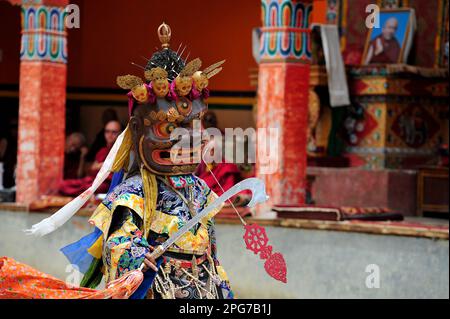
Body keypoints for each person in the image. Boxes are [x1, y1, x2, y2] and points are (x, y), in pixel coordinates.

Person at [59, 24, 234, 299]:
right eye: (168, 130)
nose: (184, 141)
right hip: (158, 286)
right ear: (139, 130)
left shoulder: (199, 189)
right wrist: (137, 255)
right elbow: (117, 243)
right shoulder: (134, 192)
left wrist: (222, 285)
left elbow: (210, 246)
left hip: (203, 287)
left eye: (192, 129)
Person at [59, 120, 122, 196]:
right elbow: (92, 169)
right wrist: (102, 166)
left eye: (114, 132)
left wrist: (101, 166)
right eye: (107, 132)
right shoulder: (102, 151)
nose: (109, 135)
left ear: (120, 133)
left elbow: (115, 172)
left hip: (106, 184)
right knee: (63, 185)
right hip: (91, 181)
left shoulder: (122, 151)